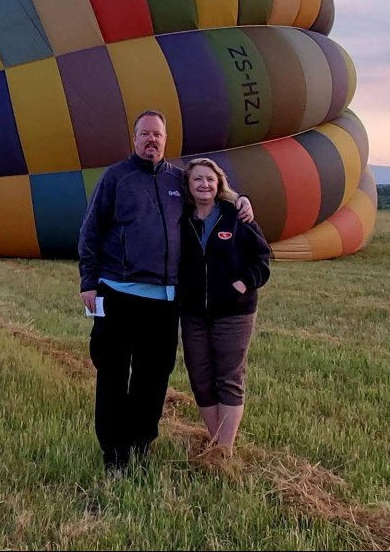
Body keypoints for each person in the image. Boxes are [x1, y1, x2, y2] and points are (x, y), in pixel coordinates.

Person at [78, 111, 254, 474]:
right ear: (134, 138)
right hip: (118, 293)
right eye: (144, 134)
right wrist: (88, 282)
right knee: (112, 374)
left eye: (157, 135)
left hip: (164, 300)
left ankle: (141, 446)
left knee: (153, 377)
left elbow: (210, 200)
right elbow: (91, 230)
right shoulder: (115, 178)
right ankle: (114, 455)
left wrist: (239, 201)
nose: (151, 140)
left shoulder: (178, 180)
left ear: (166, 138)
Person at [177, 157, 271, 457]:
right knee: (200, 375)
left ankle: (223, 451)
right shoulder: (180, 219)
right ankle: (216, 440)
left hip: (234, 311)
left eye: (209, 179)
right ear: (188, 186)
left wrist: (243, 284)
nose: (204, 184)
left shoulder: (235, 215)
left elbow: (261, 257)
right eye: (197, 180)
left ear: (219, 184)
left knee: (228, 375)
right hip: (193, 312)